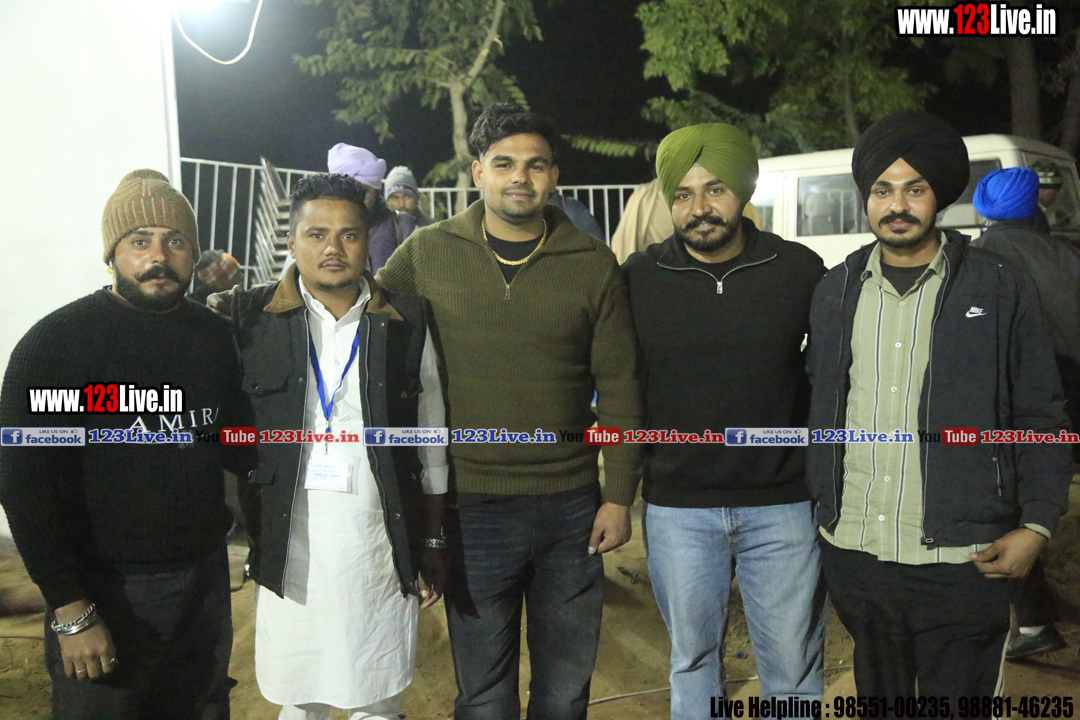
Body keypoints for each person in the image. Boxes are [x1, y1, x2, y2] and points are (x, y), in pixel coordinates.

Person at [376, 103, 644, 720]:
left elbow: (620, 386)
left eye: (535, 165)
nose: (519, 177)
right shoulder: (427, 252)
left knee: (565, 690)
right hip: (470, 509)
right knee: (483, 693)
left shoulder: (591, 263)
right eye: (503, 164)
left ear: (554, 177)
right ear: (478, 172)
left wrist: (618, 496)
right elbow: (362, 317)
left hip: (572, 509)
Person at [806, 111, 1073, 704]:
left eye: (915, 189)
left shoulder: (998, 286)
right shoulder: (836, 289)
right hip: (858, 555)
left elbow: (1041, 414)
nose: (897, 205)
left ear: (940, 197)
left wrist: (1036, 524)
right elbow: (820, 407)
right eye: (882, 190)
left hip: (964, 559)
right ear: (866, 198)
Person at [0, 169, 253, 719]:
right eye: (140, 241)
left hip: (205, 585)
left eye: (175, 240)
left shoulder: (213, 339)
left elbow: (236, 441)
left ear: (193, 254)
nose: (158, 256)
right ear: (112, 253)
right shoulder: (57, 345)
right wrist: (71, 609)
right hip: (106, 592)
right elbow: (24, 485)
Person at [622, 124, 826, 719]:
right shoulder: (639, 278)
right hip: (678, 507)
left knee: (792, 666)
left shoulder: (798, 269)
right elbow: (619, 384)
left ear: (743, 191)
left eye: (715, 190)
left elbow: (831, 376)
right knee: (692, 661)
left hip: (783, 505)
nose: (700, 209)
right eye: (683, 195)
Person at [231, 173, 447, 720]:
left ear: (366, 241)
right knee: (300, 694)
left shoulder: (405, 319)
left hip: (377, 539)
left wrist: (432, 536)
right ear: (291, 242)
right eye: (316, 234)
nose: (333, 248)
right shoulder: (251, 319)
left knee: (377, 690)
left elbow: (431, 431)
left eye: (348, 235)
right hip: (291, 541)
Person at [971, 167, 1080, 659]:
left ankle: (1034, 623)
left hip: (1018, 407)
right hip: (1073, 396)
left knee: (1008, 505)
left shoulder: (977, 258)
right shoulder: (1068, 254)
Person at [329, 143, 417, 272]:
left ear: (376, 192)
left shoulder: (401, 225)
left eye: (363, 191)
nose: (356, 198)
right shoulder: (323, 231)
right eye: (349, 191)